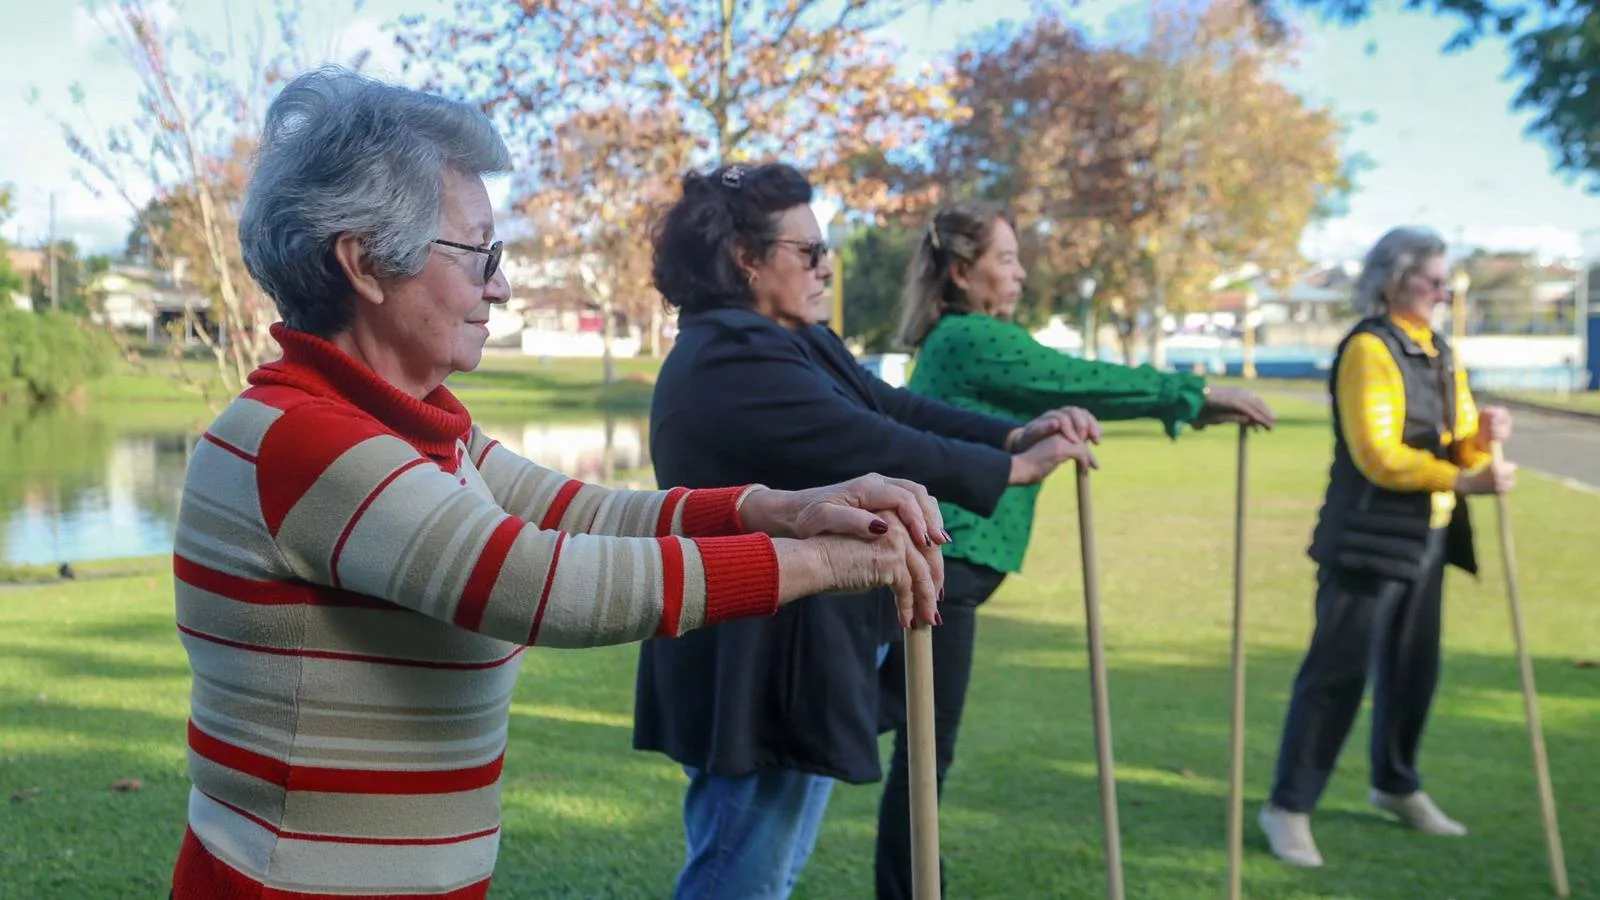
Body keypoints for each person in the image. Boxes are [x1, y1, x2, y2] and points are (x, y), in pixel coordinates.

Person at [166, 69, 948, 900]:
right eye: (480, 254)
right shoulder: (307, 440)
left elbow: (580, 512)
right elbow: (543, 582)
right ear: (364, 262)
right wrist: (825, 564)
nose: (500, 284)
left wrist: (775, 509)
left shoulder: (418, 426)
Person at [630, 163, 1102, 900]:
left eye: (827, 250)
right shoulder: (730, 357)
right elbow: (868, 440)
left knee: (769, 868)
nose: (827, 267)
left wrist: (1013, 437)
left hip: (798, 647)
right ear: (745, 260)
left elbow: (894, 408)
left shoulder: (792, 338)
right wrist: (1008, 472)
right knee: (742, 873)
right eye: (808, 253)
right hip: (753, 662)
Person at [877, 200, 1277, 898]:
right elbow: (1077, 380)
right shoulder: (969, 338)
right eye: (1007, 259)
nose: (1022, 274)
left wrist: (1189, 404)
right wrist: (1195, 394)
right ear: (962, 272)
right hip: (947, 568)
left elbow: (1064, 387)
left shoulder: (962, 339)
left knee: (909, 740)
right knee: (917, 751)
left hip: (954, 567)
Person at [1258, 225, 1516, 868]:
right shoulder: (1368, 349)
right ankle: (1287, 808)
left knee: (1414, 671)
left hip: (1428, 534)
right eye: (1431, 280)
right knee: (1336, 676)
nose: (1442, 291)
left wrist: (1481, 437)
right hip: (1366, 538)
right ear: (1394, 281)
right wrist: (1463, 477)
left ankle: (1395, 784)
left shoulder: (1439, 348)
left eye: (1444, 280)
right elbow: (1377, 456)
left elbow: (1453, 443)